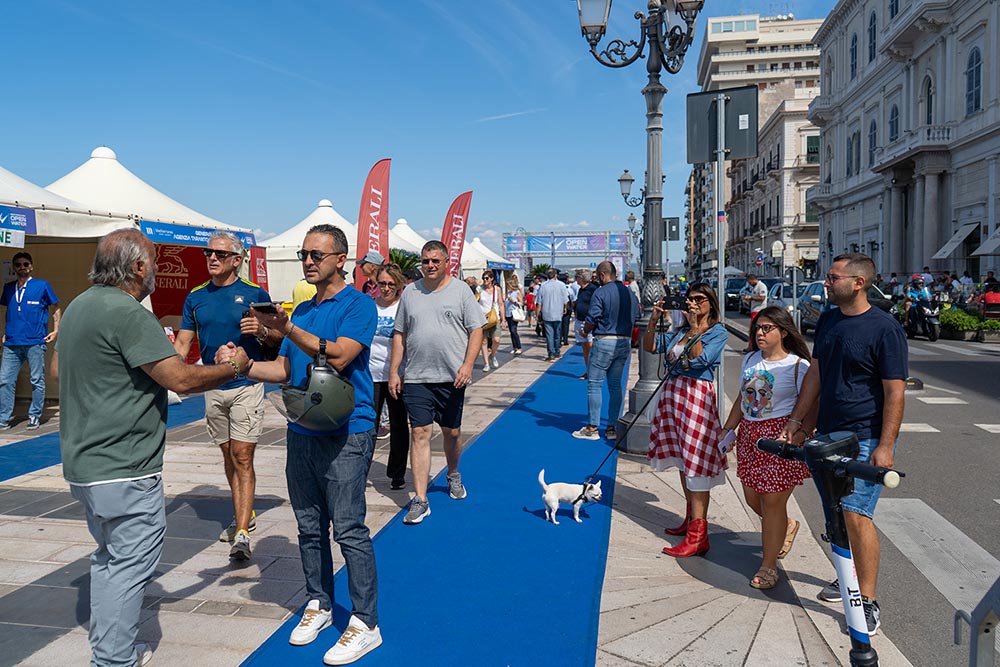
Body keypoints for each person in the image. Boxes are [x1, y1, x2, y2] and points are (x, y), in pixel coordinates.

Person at [59, 229, 252, 667]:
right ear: (138, 267)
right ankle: (114, 659)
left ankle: (109, 650)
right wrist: (232, 368)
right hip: (125, 465)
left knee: (109, 560)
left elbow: (57, 367)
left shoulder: (79, 306)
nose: (157, 272)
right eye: (154, 263)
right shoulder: (128, 313)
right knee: (131, 565)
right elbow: (179, 379)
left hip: (83, 463)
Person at [244, 223, 382, 663]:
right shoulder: (302, 310)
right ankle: (319, 602)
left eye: (316, 255)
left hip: (348, 431)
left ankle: (366, 622)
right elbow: (285, 371)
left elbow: (339, 355)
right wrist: (242, 366)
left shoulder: (359, 305)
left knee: (349, 528)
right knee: (308, 526)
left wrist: (285, 327)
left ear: (341, 260)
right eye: (303, 254)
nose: (307, 261)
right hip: (302, 429)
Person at [780, 252, 907, 636]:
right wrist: (798, 422)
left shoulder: (885, 329)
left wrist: (885, 446)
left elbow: (895, 392)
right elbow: (816, 375)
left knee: (855, 514)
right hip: (828, 434)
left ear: (858, 283)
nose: (826, 282)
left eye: (833, 277)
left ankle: (866, 600)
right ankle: (846, 576)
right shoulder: (829, 320)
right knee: (835, 514)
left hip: (865, 436)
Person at [173, 232, 280, 561]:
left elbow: (277, 341)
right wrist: (167, 373)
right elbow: (182, 345)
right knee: (228, 456)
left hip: (247, 384)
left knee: (242, 456)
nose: (212, 258)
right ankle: (244, 510)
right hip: (213, 386)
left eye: (220, 254)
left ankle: (242, 531)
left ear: (237, 260)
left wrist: (262, 331)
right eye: (208, 253)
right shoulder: (195, 297)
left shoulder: (254, 293)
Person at [389, 240, 484, 525]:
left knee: (451, 432)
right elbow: (399, 333)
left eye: (435, 261)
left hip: (451, 377)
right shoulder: (410, 292)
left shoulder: (461, 290)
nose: (429, 265)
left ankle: (453, 473)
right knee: (419, 432)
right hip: (417, 377)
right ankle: (420, 498)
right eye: (425, 261)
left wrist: (468, 365)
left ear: (446, 262)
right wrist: (395, 371)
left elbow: (477, 330)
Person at [720, 306, 814, 589]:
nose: (760, 333)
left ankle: (769, 565)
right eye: (758, 328)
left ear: (783, 332)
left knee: (772, 503)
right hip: (750, 436)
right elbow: (743, 399)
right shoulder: (750, 359)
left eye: (767, 328)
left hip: (780, 438)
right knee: (753, 499)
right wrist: (728, 429)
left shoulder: (798, 366)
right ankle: (787, 526)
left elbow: (812, 403)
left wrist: (802, 433)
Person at [645, 282, 728, 558]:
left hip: (696, 399)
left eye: (700, 299)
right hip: (674, 397)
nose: (693, 303)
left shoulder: (717, 332)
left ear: (711, 303)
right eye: (690, 298)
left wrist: (694, 328)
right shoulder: (679, 331)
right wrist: (654, 320)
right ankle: (691, 518)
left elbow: (700, 361)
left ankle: (698, 535)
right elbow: (651, 347)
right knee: (683, 460)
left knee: (697, 464)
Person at [571, 261, 640, 441]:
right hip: (624, 341)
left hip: (604, 340)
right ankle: (612, 427)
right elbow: (637, 316)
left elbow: (592, 317)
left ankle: (592, 427)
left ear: (603, 275)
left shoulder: (601, 292)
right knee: (615, 385)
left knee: (595, 384)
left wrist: (585, 331)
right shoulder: (630, 293)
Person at [0, 251, 60, 430]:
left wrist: (56, 330)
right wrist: (4, 332)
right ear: (14, 267)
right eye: (18, 264)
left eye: (25, 264)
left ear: (31, 266)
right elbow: (7, 311)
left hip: (35, 341)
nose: (22, 267)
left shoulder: (42, 285)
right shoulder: (9, 288)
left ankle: (34, 415)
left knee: (36, 380)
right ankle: (3, 417)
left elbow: (55, 307)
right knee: (5, 380)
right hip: (12, 342)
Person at [370, 264, 410, 490]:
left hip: (397, 376)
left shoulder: (403, 308)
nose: (385, 289)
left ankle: (397, 473)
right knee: (368, 426)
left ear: (398, 286)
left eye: (391, 285)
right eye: (382, 284)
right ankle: (361, 468)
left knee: (398, 426)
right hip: (371, 375)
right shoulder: (369, 307)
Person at [536, 269, 568, 362]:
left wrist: (537, 314)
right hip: (558, 312)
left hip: (547, 313)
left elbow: (539, 302)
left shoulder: (543, 286)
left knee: (549, 335)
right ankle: (557, 352)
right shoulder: (561, 285)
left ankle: (551, 354)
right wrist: (565, 308)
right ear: (556, 275)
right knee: (557, 334)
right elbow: (565, 300)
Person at [573, 269, 597, 380]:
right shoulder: (580, 290)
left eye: (577, 277)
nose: (576, 279)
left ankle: (593, 370)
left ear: (581, 278)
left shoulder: (593, 289)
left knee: (590, 346)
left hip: (588, 321)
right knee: (584, 346)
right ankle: (588, 370)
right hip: (579, 319)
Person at [478, 271, 503, 373]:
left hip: (495, 318)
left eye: (487, 278)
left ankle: (492, 355)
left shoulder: (497, 289)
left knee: (496, 340)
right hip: (482, 318)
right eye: (483, 278)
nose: (485, 280)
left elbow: (501, 304)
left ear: (492, 279)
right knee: (483, 342)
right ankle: (486, 363)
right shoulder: (479, 289)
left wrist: (503, 319)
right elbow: (475, 302)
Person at [505, 275, 524, 356]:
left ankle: (519, 347)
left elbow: (521, 303)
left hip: (514, 313)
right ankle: (514, 347)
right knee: (511, 332)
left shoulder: (517, 292)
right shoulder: (509, 293)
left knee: (514, 330)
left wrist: (514, 301)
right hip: (508, 313)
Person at [560, 273, 574, 347]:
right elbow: (573, 298)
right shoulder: (569, 288)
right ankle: (565, 339)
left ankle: (559, 339)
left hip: (559, 306)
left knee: (559, 324)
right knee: (566, 324)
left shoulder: (559, 287)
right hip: (568, 307)